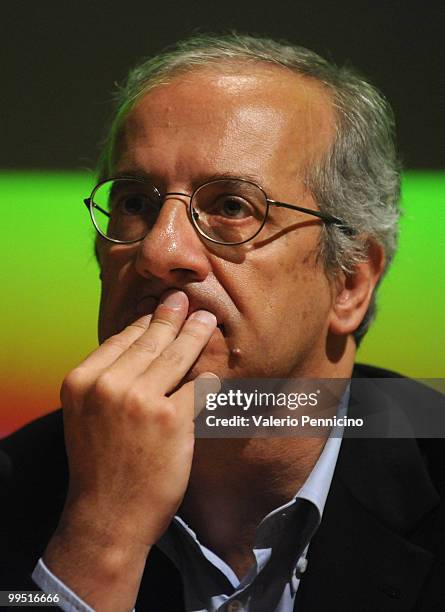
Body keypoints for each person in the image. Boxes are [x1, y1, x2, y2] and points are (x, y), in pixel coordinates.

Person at [1, 34, 444, 612]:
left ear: (352, 281)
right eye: (135, 202)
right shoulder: (12, 488)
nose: (159, 252)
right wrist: (99, 538)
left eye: (232, 206)